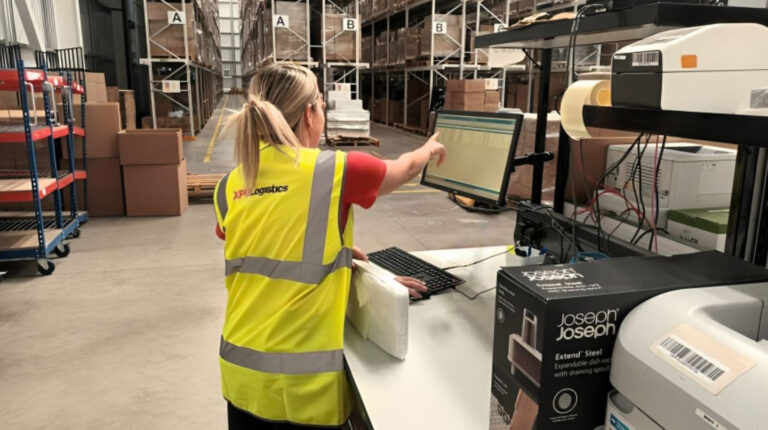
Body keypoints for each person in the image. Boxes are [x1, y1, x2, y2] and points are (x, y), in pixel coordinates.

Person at [213, 64, 446, 429]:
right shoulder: (335, 170)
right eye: (321, 104)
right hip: (305, 385)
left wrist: (348, 263)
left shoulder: (229, 184)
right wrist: (429, 148)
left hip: (240, 374)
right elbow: (401, 168)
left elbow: (264, 250)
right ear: (309, 113)